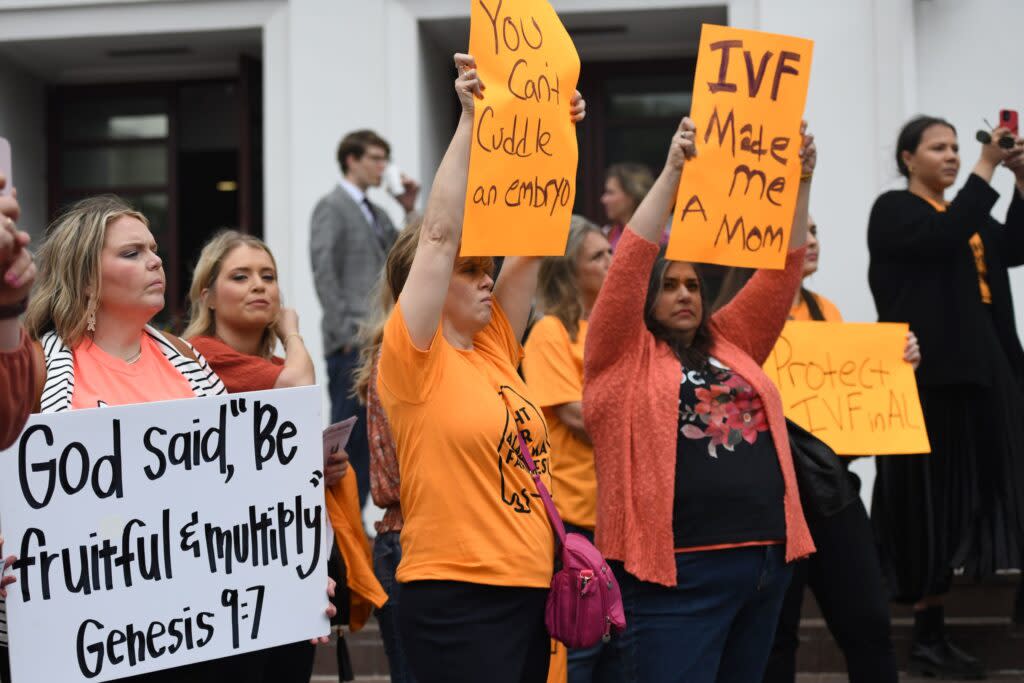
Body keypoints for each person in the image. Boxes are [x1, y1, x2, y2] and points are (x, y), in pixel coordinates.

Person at [0, 195, 335, 683]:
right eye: (131, 253)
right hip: (83, 637)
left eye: (153, 248)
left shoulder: (188, 361)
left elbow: (244, 488)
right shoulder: (37, 365)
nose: (155, 260)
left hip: (185, 634)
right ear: (86, 275)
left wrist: (291, 574)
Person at [583, 117, 817, 683]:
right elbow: (631, 261)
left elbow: (783, 271)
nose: (685, 293)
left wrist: (800, 181)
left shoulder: (730, 342)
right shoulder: (619, 356)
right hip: (675, 580)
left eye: (692, 284)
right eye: (669, 285)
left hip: (764, 566)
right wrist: (672, 172)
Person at [375, 54, 584, 683]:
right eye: (470, 271)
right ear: (429, 286)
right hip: (456, 594)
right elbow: (439, 235)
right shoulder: (412, 357)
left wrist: (558, 134)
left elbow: (534, 241)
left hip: (529, 586)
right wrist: (470, 118)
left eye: (483, 267)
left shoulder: (492, 345)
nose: (486, 276)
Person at [712, 216, 920, 683]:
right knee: (773, 635)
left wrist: (896, 367)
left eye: (815, 231)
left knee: (868, 621)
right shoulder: (730, 318)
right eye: (796, 232)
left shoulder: (825, 311)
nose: (810, 242)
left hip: (829, 494)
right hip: (768, 502)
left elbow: (847, 406)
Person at [183, 229, 388, 682]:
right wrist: (292, 331)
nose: (260, 286)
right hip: (226, 578)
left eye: (268, 276)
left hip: (286, 571)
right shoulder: (197, 358)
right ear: (208, 296)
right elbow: (297, 390)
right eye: (240, 276)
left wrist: (325, 467)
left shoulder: (279, 368)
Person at [867, 115, 1024, 679]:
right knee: (935, 504)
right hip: (932, 377)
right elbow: (942, 237)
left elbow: (1014, 247)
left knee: (1000, 486)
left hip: (988, 368)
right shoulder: (894, 211)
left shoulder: (965, 215)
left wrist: (1020, 181)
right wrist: (988, 166)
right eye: (940, 147)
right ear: (908, 158)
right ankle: (928, 633)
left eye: (959, 148)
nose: (955, 156)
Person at [521, 215, 615, 682]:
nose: (611, 261)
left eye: (610, 251)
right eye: (597, 256)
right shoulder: (550, 332)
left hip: (617, 509)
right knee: (580, 640)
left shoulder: (615, 327)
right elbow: (578, 417)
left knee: (617, 642)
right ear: (568, 268)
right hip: (574, 513)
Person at [310, 128, 420, 510]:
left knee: (374, 440)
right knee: (348, 443)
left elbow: (406, 255)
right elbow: (324, 272)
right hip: (350, 343)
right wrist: (344, 336)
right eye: (375, 158)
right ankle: (343, 536)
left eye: (384, 159)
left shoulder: (375, 211)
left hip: (376, 339)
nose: (382, 167)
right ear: (351, 160)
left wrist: (408, 206)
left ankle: (359, 533)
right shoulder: (331, 206)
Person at [0, 173, 36, 449]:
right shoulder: (51, 363)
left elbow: (5, 425)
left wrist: (6, 306)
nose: (156, 262)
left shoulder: (180, 352)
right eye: (131, 253)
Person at [600, 162, 658, 249]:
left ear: (632, 195)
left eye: (610, 192)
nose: (603, 199)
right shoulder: (606, 235)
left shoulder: (658, 238)